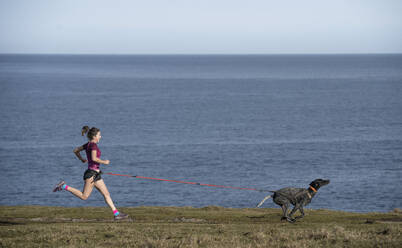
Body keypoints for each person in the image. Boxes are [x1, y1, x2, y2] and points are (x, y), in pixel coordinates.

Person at [53, 126, 128, 220]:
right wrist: (104, 162)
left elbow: (75, 150)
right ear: (94, 136)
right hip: (91, 175)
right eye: (99, 135)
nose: (100, 137)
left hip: (95, 174)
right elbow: (94, 158)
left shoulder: (88, 145)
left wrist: (81, 159)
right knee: (84, 196)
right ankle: (64, 186)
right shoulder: (93, 146)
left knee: (106, 194)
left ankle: (116, 214)